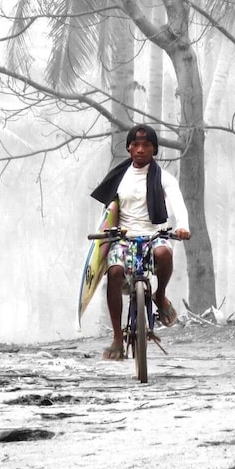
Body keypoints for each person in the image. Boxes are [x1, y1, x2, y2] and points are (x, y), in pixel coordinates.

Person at [90, 124, 191, 360]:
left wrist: (183, 226)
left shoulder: (164, 178)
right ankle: (117, 339)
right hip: (124, 237)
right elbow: (109, 211)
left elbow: (178, 203)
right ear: (129, 148)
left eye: (146, 145)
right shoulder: (119, 177)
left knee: (165, 254)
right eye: (135, 144)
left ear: (154, 149)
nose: (140, 149)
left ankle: (160, 295)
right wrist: (103, 234)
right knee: (114, 273)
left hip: (154, 234)